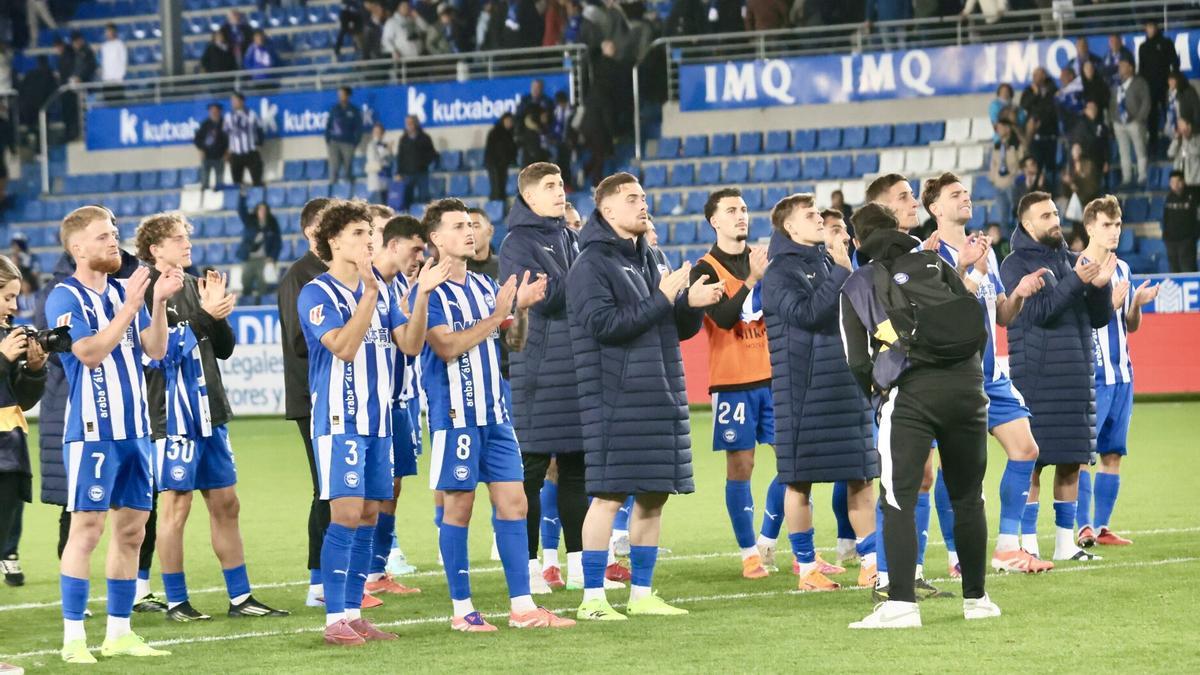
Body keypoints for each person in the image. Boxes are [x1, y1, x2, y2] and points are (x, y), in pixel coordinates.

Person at [566, 172, 724, 620]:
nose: (643, 204)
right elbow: (604, 326)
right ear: (607, 209)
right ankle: (593, 599)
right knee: (608, 495)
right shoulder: (590, 264)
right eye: (632, 198)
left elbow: (670, 325)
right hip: (613, 395)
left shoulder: (651, 256)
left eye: (644, 197)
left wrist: (691, 304)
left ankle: (642, 594)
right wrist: (662, 297)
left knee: (655, 495)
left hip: (660, 391)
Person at [413, 198, 574, 631]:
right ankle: (462, 610)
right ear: (435, 238)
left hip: (496, 415)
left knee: (515, 503)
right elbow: (445, 346)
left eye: (471, 224)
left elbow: (514, 343)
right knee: (459, 509)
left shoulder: (486, 287)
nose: (469, 232)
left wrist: (518, 310)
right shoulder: (428, 291)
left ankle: (522, 606)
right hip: (455, 416)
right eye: (458, 226)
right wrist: (499, 315)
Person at [839, 202, 999, 629]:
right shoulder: (934, 260)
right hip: (967, 389)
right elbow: (972, 317)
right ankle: (978, 599)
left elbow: (856, 360)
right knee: (969, 496)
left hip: (910, 392)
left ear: (857, 242)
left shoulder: (857, 282)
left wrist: (878, 395)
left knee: (898, 498)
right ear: (897, 228)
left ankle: (902, 605)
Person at [132, 213, 288, 622]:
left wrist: (217, 316)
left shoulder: (190, 284)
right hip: (172, 416)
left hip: (209, 411)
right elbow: (159, 352)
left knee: (226, 503)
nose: (187, 244)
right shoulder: (144, 291)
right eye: (178, 238)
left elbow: (222, 349)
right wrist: (204, 315)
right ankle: (178, 601)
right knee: (175, 508)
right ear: (154, 248)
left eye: (186, 237)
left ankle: (241, 597)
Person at [46, 205, 183, 662]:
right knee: (86, 530)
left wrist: (157, 304)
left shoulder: (123, 293)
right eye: (104, 236)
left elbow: (156, 349)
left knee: (132, 533)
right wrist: (130, 307)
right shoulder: (64, 298)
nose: (113, 242)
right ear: (77, 248)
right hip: (92, 433)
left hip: (136, 431)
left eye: (115, 233)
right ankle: (72, 640)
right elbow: (88, 353)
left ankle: (119, 633)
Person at [298, 199, 436, 644]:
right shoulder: (317, 292)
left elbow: (411, 345)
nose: (368, 240)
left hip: (378, 422)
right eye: (358, 233)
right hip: (340, 419)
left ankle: (354, 613)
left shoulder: (384, 292)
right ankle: (333, 618)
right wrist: (370, 296)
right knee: (346, 512)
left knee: (371, 514)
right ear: (334, 241)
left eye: (369, 233)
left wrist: (421, 297)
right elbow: (342, 346)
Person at [924, 173, 1055, 575]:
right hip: (950, 376)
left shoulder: (985, 250)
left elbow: (1000, 312)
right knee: (953, 468)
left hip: (989, 373)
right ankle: (956, 556)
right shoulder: (928, 254)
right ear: (936, 208)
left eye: (966, 192)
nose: (965, 198)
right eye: (955, 195)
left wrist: (1018, 293)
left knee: (1027, 449)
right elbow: (943, 311)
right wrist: (975, 271)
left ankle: (1005, 548)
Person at [762, 192, 880, 592]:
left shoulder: (831, 263)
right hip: (804, 391)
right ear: (790, 227)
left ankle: (871, 564)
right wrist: (843, 270)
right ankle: (808, 569)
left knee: (861, 477)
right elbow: (807, 315)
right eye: (809, 215)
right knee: (799, 482)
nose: (819, 219)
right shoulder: (778, 272)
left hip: (847, 386)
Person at [999, 191, 1114, 564]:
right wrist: (1078, 280)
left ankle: (1066, 545)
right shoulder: (1014, 265)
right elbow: (1040, 312)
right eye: (1046, 215)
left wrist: (1100, 286)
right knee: (1035, 462)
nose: (1055, 219)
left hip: (1076, 376)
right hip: (1037, 376)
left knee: (1070, 460)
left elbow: (1098, 319)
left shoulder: (1070, 259)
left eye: (1055, 213)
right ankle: (1029, 543)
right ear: (1028, 224)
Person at [497, 163, 591, 593]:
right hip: (536, 370)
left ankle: (577, 566)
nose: (559, 191)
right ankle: (530, 568)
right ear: (529, 197)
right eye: (549, 186)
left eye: (560, 184)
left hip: (573, 367)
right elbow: (543, 297)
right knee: (530, 472)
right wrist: (589, 285)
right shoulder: (517, 241)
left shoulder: (568, 236)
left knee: (576, 471)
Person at [861, 172, 948, 600]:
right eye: (904, 197)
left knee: (923, 476)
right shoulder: (874, 266)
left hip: (923, 379)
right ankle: (885, 576)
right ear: (884, 210)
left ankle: (909, 570)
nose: (914, 202)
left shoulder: (917, 252)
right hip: (894, 385)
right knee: (895, 482)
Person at [689, 188, 776, 580]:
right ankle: (749, 554)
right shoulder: (704, 269)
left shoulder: (764, 260)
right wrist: (754, 278)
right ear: (715, 221)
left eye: (743, 209)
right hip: (733, 380)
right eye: (731, 210)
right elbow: (723, 318)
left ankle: (768, 540)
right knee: (742, 466)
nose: (741, 215)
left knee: (794, 460)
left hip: (774, 376)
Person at [1074, 197, 1158, 550]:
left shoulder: (1122, 268)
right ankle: (1083, 527)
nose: (1114, 232)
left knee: (1113, 454)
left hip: (1123, 374)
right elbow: (1080, 323)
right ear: (1090, 227)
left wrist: (1135, 304)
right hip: (1093, 376)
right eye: (1107, 225)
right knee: (1081, 456)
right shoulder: (1079, 268)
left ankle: (1104, 527)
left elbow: (1130, 327)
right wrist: (1107, 303)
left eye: (1118, 225)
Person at [277, 198, 338, 608]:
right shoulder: (301, 277)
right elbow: (301, 341)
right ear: (309, 232)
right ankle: (318, 581)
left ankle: (343, 574)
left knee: (340, 488)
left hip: (337, 394)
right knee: (327, 488)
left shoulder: (337, 274)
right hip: (313, 395)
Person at [365, 213, 430, 586]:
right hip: (371, 406)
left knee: (393, 486)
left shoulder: (391, 287)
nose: (419, 257)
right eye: (415, 248)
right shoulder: (364, 284)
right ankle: (353, 578)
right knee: (367, 493)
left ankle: (377, 570)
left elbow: (409, 344)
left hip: (399, 401)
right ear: (392, 245)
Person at [0, 256, 46, 593]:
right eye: (7, 297)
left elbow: (23, 401)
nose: (13, 305)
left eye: (16, 297)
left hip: (9, 451)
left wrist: (33, 370)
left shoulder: (9, 334)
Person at [1138, 21, 1181, 149]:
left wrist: (1173, 80)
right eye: (1147, 27)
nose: (1149, 29)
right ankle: (1153, 143)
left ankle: (1175, 141)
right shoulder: (1143, 47)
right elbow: (1142, 68)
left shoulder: (1166, 43)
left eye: (1152, 26)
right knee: (1152, 116)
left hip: (1165, 86)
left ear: (1156, 27)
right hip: (1150, 88)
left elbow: (1175, 62)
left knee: (1170, 112)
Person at [1111, 57, 1151, 187]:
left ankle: (1142, 175)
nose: (1120, 68)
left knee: (1140, 149)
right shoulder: (1117, 84)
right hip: (1119, 123)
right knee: (1124, 151)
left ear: (1131, 67)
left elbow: (1146, 102)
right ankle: (1126, 177)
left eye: (1123, 65)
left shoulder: (1140, 82)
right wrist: (1113, 119)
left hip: (1135, 122)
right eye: (1120, 65)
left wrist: (1139, 119)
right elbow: (1112, 103)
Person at [236, 195, 282, 304]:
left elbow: (277, 242)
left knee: (263, 285)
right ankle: (246, 305)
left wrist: (272, 256)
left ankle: (261, 306)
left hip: (263, 260)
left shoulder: (272, 224)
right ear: (256, 211)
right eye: (260, 209)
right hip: (248, 258)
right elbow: (241, 210)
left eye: (264, 210)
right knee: (246, 283)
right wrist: (242, 196)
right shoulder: (250, 221)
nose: (262, 212)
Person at [1020, 67, 1059, 191]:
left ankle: (1051, 192)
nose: (1037, 77)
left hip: (1050, 135)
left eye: (1040, 74)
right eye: (1035, 75)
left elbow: (1052, 107)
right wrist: (1036, 94)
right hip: (1035, 138)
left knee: (1050, 168)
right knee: (1036, 167)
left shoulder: (1052, 89)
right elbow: (1024, 105)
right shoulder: (1029, 90)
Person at [394, 115, 437, 211]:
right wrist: (399, 173)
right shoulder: (403, 139)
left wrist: (424, 163)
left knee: (424, 197)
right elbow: (400, 157)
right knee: (407, 198)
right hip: (407, 174)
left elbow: (432, 153)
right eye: (407, 123)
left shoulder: (425, 138)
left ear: (416, 124)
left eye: (411, 123)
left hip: (422, 173)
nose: (409, 125)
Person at [224, 92, 265, 187]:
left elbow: (259, 129)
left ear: (241, 101)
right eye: (232, 101)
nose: (233, 103)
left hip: (251, 152)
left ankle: (257, 200)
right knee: (237, 182)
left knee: (257, 180)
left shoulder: (252, 114)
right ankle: (239, 200)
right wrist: (226, 150)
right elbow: (225, 134)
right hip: (235, 154)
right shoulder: (228, 116)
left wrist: (259, 144)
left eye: (235, 100)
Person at [1163, 170, 1199, 273]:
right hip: (1171, 242)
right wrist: (1166, 237)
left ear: (1182, 182)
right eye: (1172, 182)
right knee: (1174, 271)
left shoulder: (1193, 196)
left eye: (1177, 182)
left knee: (1187, 269)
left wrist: (1193, 237)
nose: (1174, 185)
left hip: (1187, 241)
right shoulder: (1169, 198)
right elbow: (1166, 218)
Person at [989, 118, 1021, 232]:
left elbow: (1021, 163)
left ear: (1008, 128)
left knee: (1017, 215)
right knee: (1003, 218)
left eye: (1001, 127)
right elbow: (994, 163)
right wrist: (993, 179)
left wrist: (1015, 179)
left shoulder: (1016, 144)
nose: (998, 129)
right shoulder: (997, 145)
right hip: (999, 185)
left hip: (1012, 184)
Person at [326, 87, 362, 185]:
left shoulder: (354, 110)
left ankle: (350, 193)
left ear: (348, 95)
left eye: (342, 94)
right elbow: (328, 125)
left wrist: (355, 142)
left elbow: (359, 128)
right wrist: (328, 140)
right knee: (334, 168)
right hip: (334, 143)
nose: (340, 97)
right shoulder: (334, 109)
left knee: (348, 169)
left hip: (348, 143)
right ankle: (331, 196)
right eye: (339, 95)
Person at [194, 103, 228, 191]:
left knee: (220, 182)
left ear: (219, 111)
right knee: (205, 181)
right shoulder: (205, 124)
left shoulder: (225, 123)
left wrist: (227, 152)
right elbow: (197, 139)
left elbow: (229, 139)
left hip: (220, 157)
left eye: (215, 111)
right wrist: (201, 149)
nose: (214, 112)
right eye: (212, 110)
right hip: (207, 156)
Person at [485, 113, 517, 202]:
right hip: (494, 163)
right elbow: (499, 149)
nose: (509, 123)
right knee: (496, 187)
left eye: (511, 121)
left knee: (502, 185)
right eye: (507, 121)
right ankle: (495, 206)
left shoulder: (510, 133)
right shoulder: (496, 132)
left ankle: (501, 205)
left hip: (503, 163)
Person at [364, 122, 393, 206]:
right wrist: (387, 151)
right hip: (375, 179)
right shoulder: (371, 145)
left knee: (386, 204)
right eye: (375, 132)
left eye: (379, 132)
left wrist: (389, 151)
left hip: (385, 178)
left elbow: (390, 161)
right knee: (377, 206)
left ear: (383, 133)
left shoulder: (385, 145)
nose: (377, 134)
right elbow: (374, 159)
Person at [1168, 119, 1200, 186]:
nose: (1183, 130)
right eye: (1180, 127)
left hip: (1196, 179)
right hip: (1181, 179)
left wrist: (1187, 143)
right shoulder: (1178, 140)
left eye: (1184, 127)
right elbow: (1170, 153)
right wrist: (1176, 139)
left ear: (1189, 127)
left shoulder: (1197, 138)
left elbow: (1196, 152)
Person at [98, 23, 127, 93]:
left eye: (108, 31)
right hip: (106, 80)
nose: (107, 33)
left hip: (117, 80)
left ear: (114, 31)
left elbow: (124, 61)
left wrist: (120, 76)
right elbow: (103, 62)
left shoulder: (120, 45)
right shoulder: (104, 46)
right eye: (106, 32)